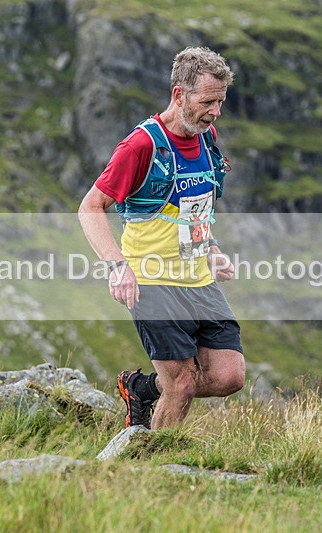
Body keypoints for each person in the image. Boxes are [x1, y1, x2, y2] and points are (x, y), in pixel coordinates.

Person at [78, 46, 245, 430]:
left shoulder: (207, 136)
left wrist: (214, 249)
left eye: (220, 102)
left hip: (198, 278)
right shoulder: (141, 146)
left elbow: (195, 206)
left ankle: (141, 389)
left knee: (228, 376)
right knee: (183, 383)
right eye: (208, 101)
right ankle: (154, 466)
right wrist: (118, 267)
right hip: (151, 279)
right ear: (179, 95)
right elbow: (90, 207)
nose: (216, 111)